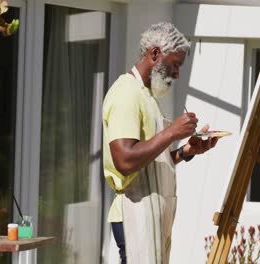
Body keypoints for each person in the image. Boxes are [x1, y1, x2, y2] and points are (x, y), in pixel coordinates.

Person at [102, 22, 219, 264]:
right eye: (175, 64)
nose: (177, 73)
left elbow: (148, 162)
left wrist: (186, 151)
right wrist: (172, 132)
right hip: (135, 215)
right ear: (155, 54)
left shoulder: (147, 95)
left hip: (152, 216)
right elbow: (124, 160)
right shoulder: (126, 93)